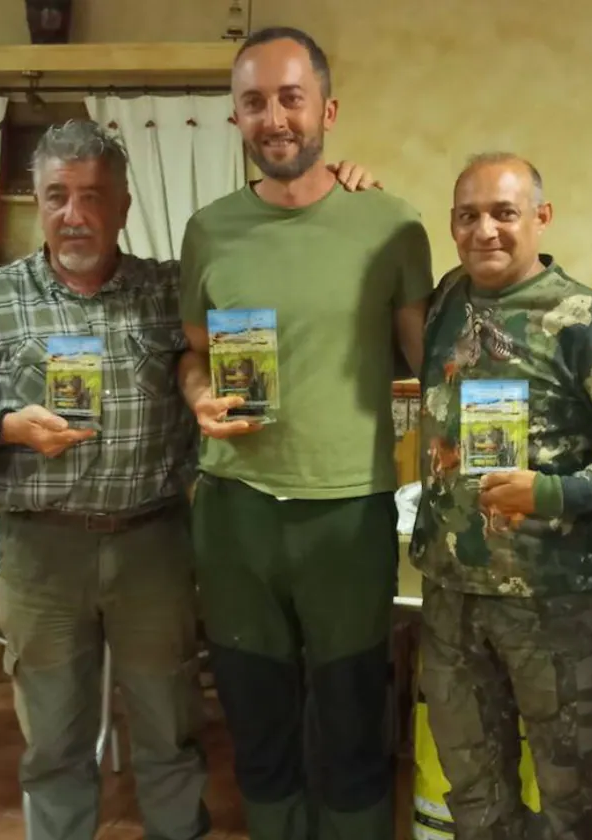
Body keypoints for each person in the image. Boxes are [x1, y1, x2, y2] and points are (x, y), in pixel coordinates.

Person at [0, 118, 378, 840]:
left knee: (169, 728)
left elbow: (250, 311)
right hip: (41, 554)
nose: (75, 214)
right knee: (54, 737)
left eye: (93, 196)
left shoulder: (167, 290)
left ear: (124, 205)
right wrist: (6, 426)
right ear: (37, 202)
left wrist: (336, 194)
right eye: (58, 196)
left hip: (153, 544)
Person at [176, 26, 434, 840]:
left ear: (327, 108)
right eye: (254, 102)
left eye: (290, 97)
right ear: (235, 119)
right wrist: (197, 398)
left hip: (347, 508)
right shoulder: (209, 230)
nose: (274, 117)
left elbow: (432, 364)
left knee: (354, 711)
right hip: (234, 506)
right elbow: (193, 356)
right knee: (255, 712)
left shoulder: (391, 223)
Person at [410, 152, 592, 839]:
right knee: (471, 790)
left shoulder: (584, 316)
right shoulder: (448, 299)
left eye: (504, 213)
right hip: (452, 599)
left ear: (541, 217)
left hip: (552, 605)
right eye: (468, 216)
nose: (486, 231)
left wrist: (562, 493)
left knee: (568, 797)